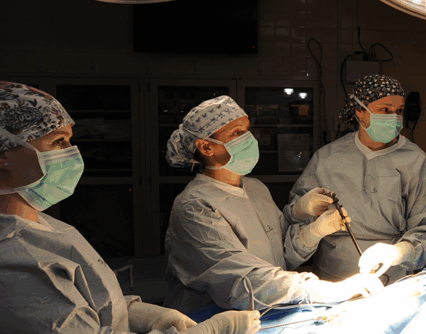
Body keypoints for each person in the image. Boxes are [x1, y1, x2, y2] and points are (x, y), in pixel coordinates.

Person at [0, 82, 260, 334]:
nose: (73, 153)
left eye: (70, 140)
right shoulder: (11, 260)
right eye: (58, 142)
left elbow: (92, 301)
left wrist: (137, 314)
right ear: (4, 154)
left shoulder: (46, 227)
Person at [163, 96, 384, 315]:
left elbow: (279, 256)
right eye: (237, 133)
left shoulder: (255, 188)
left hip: (264, 312)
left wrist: (312, 229)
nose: (249, 139)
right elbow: (243, 283)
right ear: (206, 147)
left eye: (247, 130)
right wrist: (327, 290)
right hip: (211, 321)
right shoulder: (194, 207)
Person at [283, 75, 426, 284]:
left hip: (393, 278)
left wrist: (399, 252)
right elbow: (295, 218)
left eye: (399, 111)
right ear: (359, 112)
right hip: (333, 280)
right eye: (385, 110)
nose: (394, 118)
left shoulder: (416, 161)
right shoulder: (327, 159)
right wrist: (310, 222)